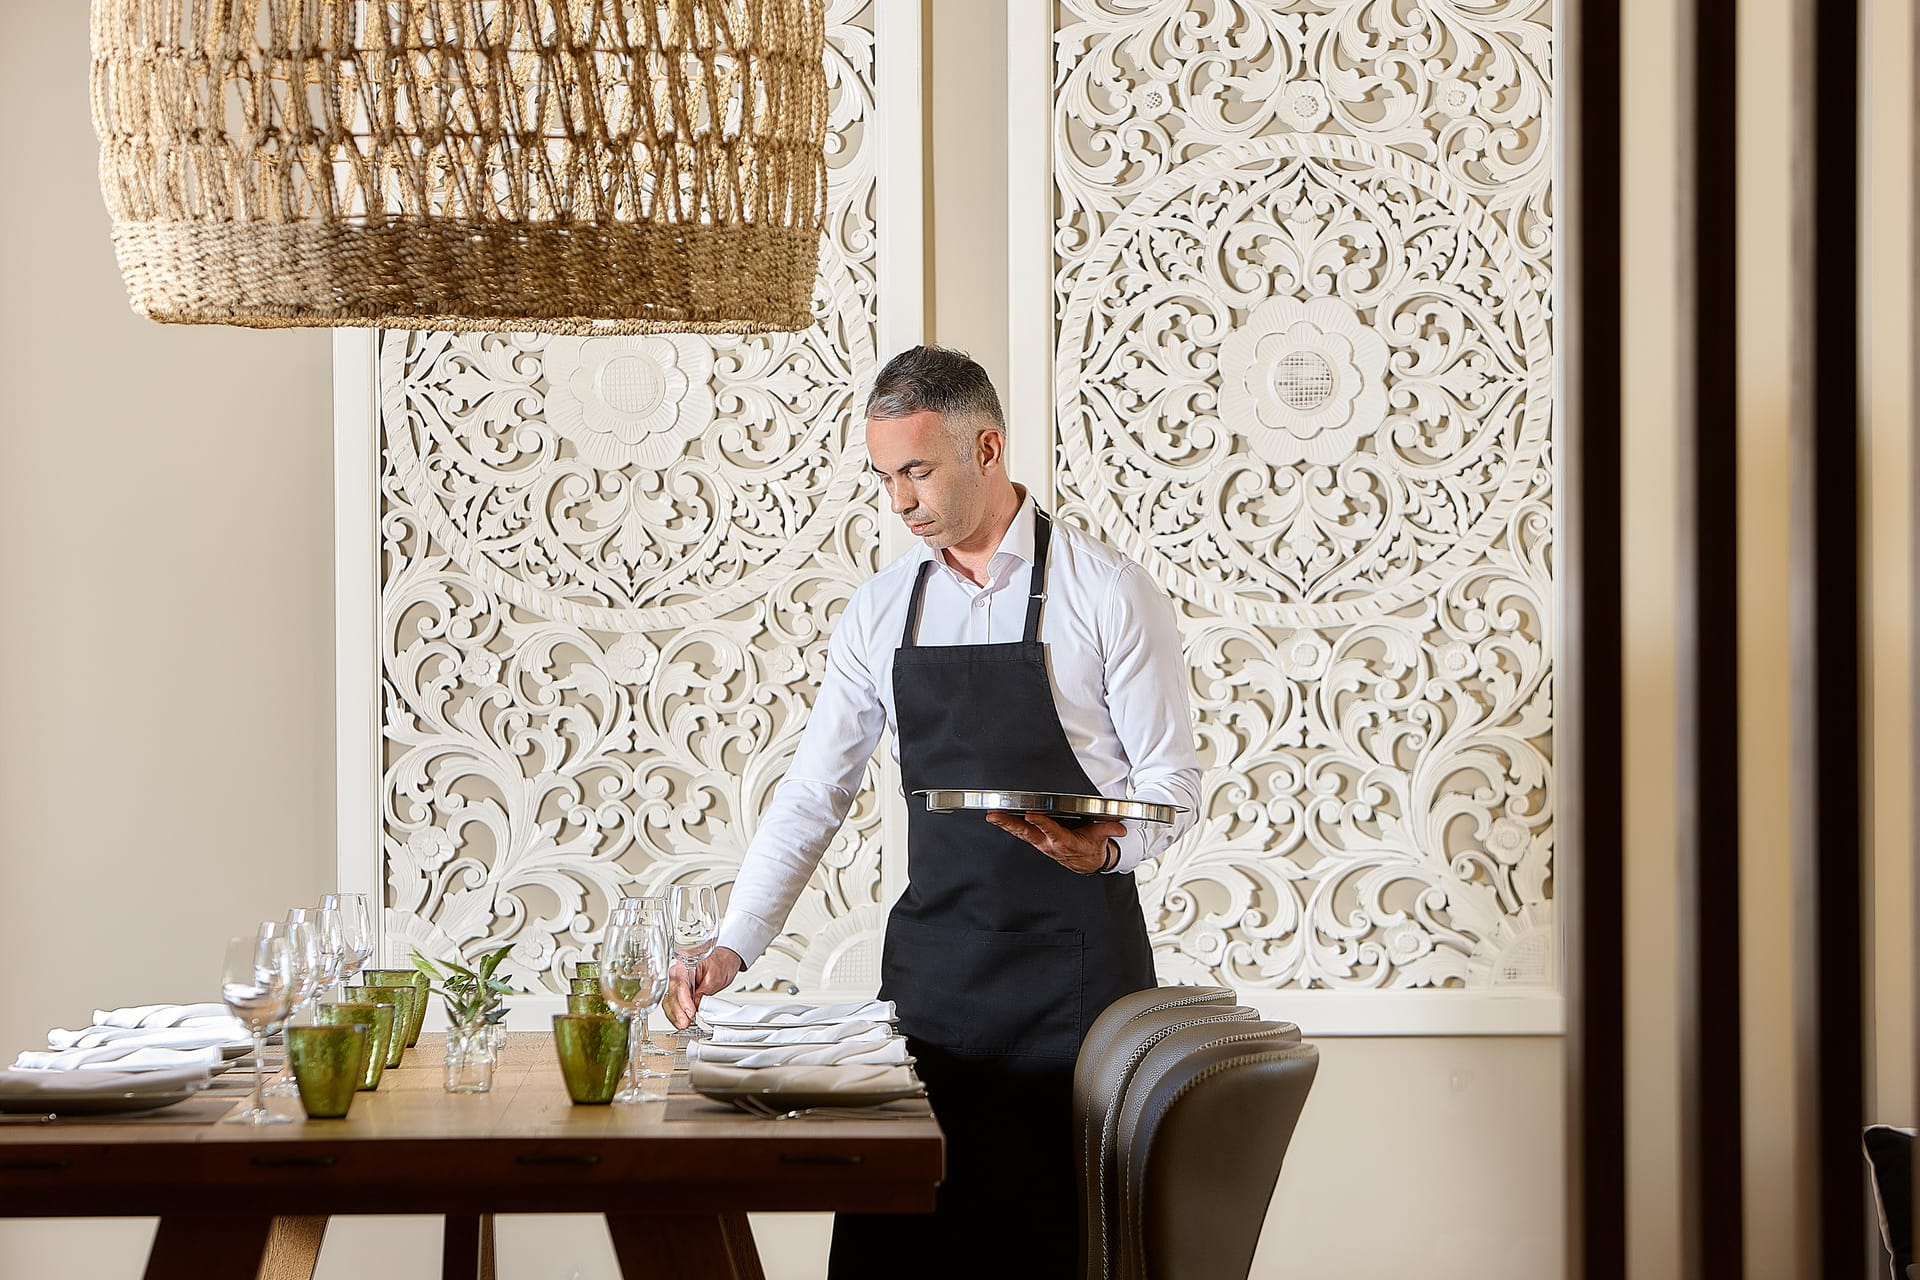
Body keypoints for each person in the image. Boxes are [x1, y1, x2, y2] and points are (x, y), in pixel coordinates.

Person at [664, 345, 1201, 1278]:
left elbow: (1172, 785)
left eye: (916, 471)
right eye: (884, 478)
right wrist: (733, 946)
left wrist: (1106, 849)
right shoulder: (882, 609)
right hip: (934, 987)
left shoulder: (1107, 591)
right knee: (900, 1244)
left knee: (1055, 1247)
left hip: (1075, 987)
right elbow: (814, 793)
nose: (899, 502)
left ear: (986, 448)